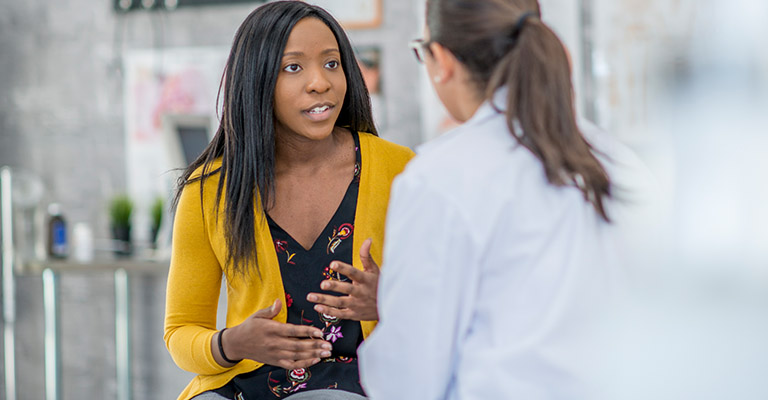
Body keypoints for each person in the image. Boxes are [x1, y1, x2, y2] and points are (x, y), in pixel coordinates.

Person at [356, 0, 626, 398]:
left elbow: (408, 378)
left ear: (441, 60)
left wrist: (396, 308)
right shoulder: (615, 159)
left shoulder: (440, 176)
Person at [163, 2, 414, 399]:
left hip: (359, 383)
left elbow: (451, 309)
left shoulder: (401, 171)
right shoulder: (209, 188)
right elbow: (181, 331)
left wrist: (388, 301)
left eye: (332, 64)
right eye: (293, 67)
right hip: (244, 386)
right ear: (257, 81)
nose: (320, 82)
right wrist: (233, 344)